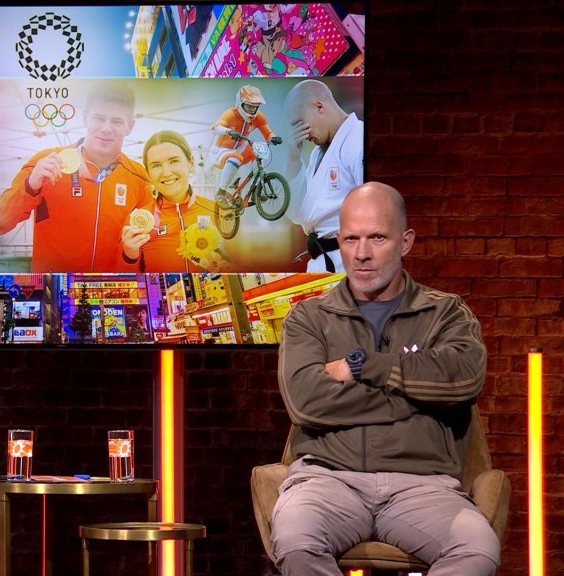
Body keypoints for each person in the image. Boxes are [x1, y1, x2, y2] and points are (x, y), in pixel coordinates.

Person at [272, 182, 500, 575]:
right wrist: (414, 399)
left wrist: (366, 366)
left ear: (405, 241)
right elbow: (306, 402)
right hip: (328, 479)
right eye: (350, 239)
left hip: (423, 484)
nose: (361, 253)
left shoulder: (444, 313)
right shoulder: (309, 317)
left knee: (476, 550)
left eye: (377, 237)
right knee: (296, 541)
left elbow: (463, 378)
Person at [0, 82, 154, 272]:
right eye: (99, 118)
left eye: (117, 121)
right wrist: (30, 186)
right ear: (85, 118)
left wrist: (129, 258)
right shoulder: (46, 163)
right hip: (56, 285)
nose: (106, 128)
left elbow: (143, 250)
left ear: (130, 127)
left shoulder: (139, 178)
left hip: (106, 287)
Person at [282, 79, 364, 273]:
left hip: (349, 261)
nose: (300, 133)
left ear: (318, 107)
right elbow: (297, 213)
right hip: (323, 261)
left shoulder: (357, 139)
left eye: (299, 123)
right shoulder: (317, 153)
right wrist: (293, 159)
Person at [123, 130, 228, 272]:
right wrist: (129, 256)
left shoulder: (217, 211)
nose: (166, 172)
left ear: (190, 162)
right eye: (156, 165)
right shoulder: (138, 221)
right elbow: (129, 277)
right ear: (148, 173)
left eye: (174, 161)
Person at [209, 84, 282, 194]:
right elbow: (214, 128)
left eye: (255, 107)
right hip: (220, 150)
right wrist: (228, 131)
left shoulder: (259, 117)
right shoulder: (230, 114)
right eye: (249, 106)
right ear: (240, 103)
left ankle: (256, 188)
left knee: (261, 152)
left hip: (239, 148)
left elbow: (268, 133)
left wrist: (273, 138)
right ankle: (221, 192)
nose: (252, 110)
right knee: (235, 158)